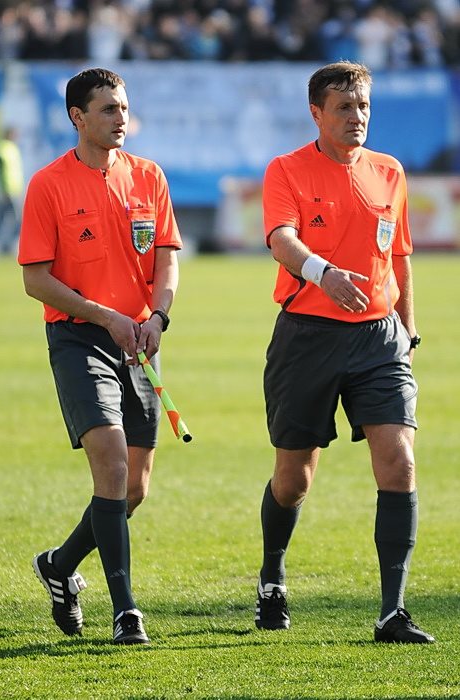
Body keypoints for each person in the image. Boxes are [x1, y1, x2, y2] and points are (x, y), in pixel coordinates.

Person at [255, 61, 435, 644]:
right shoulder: (286, 169)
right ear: (317, 113)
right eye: (344, 107)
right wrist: (322, 272)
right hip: (307, 336)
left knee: (400, 461)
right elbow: (281, 240)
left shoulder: (389, 171)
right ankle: (272, 577)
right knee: (294, 478)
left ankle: (392, 611)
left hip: (379, 338)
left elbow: (399, 253)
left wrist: (407, 330)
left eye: (363, 107)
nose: (357, 117)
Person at [18, 68, 182, 645]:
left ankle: (60, 566)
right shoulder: (48, 184)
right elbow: (36, 280)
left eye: (124, 108)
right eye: (108, 109)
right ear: (77, 117)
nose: (120, 118)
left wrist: (157, 316)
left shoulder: (149, 176)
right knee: (111, 464)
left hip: (139, 340)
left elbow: (167, 258)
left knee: (133, 488)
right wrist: (106, 316)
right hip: (79, 338)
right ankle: (125, 610)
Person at [0, 127, 24, 255]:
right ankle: (5, 245)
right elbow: (1, 171)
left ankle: (6, 244)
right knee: (12, 218)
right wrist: (3, 189)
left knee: (10, 218)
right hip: (8, 190)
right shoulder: (3, 149)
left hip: (14, 189)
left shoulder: (12, 148)